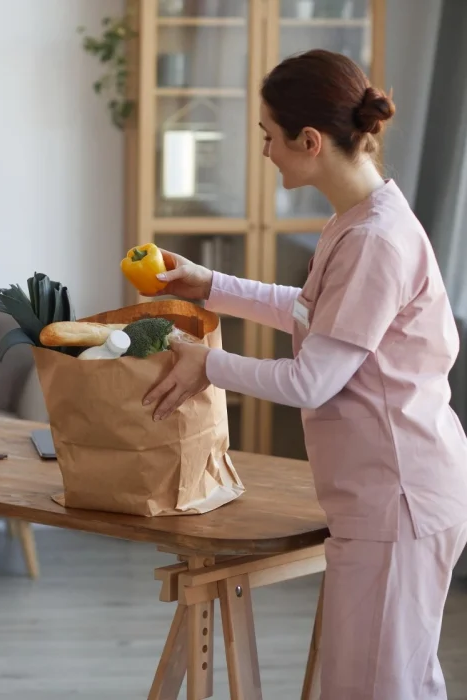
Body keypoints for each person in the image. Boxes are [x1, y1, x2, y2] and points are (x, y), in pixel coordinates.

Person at [143, 49, 467, 699]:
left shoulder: (375, 240)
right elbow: (308, 311)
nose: (265, 151)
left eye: (269, 136)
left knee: (376, 687)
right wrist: (209, 284)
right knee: (396, 681)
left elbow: (311, 380)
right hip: (388, 493)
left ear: (309, 141)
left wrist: (209, 364)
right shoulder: (356, 222)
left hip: (398, 498)